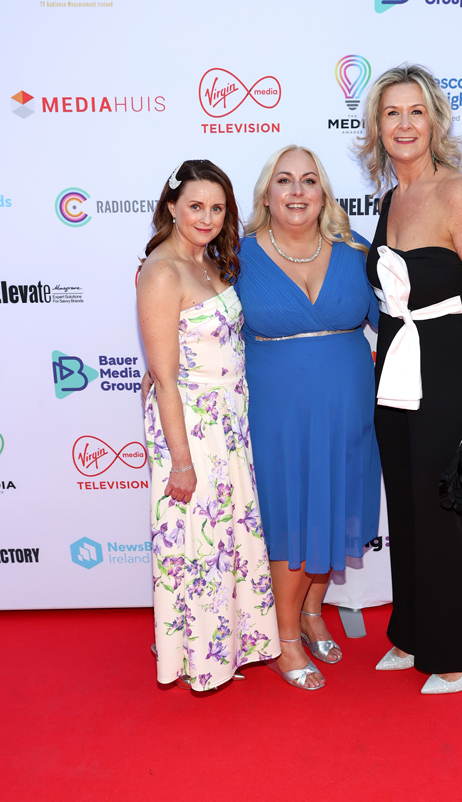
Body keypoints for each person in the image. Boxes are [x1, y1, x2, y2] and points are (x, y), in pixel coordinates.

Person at [358, 65, 462, 694]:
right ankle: (412, 631)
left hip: (448, 369)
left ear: (435, 122)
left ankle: (458, 647)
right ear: (377, 128)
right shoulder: (391, 198)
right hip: (396, 365)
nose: (404, 124)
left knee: (442, 506)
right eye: (392, 113)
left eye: (415, 111)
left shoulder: (459, 195)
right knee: (407, 505)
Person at [236, 145, 381, 690]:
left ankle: (314, 611)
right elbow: (199, 318)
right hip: (275, 412)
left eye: (309, 181)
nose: (297, 192)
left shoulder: (354, 251)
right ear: (266, 195)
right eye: (284, 181)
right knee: (289, 519)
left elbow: (397, 320)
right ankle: (285, 637)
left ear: (324, 194)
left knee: (332, 508)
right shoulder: (238, 256)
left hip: (347, 407)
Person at [137, 159, 280, 691]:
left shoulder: (212, 265)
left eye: (217, 208)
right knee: (197, 545)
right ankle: (199, 659)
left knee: (224, 541)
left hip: (227, 429)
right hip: (191, 432)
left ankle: (225, 647)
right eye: (195, 206)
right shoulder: (161, 271)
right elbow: (166, 378)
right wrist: (179, 460)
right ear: (171, 207)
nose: (206, 217)